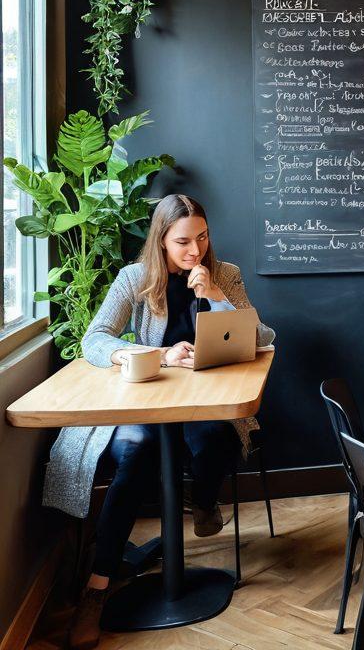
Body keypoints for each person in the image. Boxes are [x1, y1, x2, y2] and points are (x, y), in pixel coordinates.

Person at [43, 194, 276, 650]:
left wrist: (218, 298)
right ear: (161, 240)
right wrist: (161, 354)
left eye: (202, 237)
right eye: (183, 241)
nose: (195, 249)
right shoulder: (136, 278)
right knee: (137, 453)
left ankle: (202, 501)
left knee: (218, 437)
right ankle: (97, 588)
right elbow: (95, 339)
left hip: (206, 400)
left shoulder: (224, 274)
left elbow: (263, 337)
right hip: (149, 399)